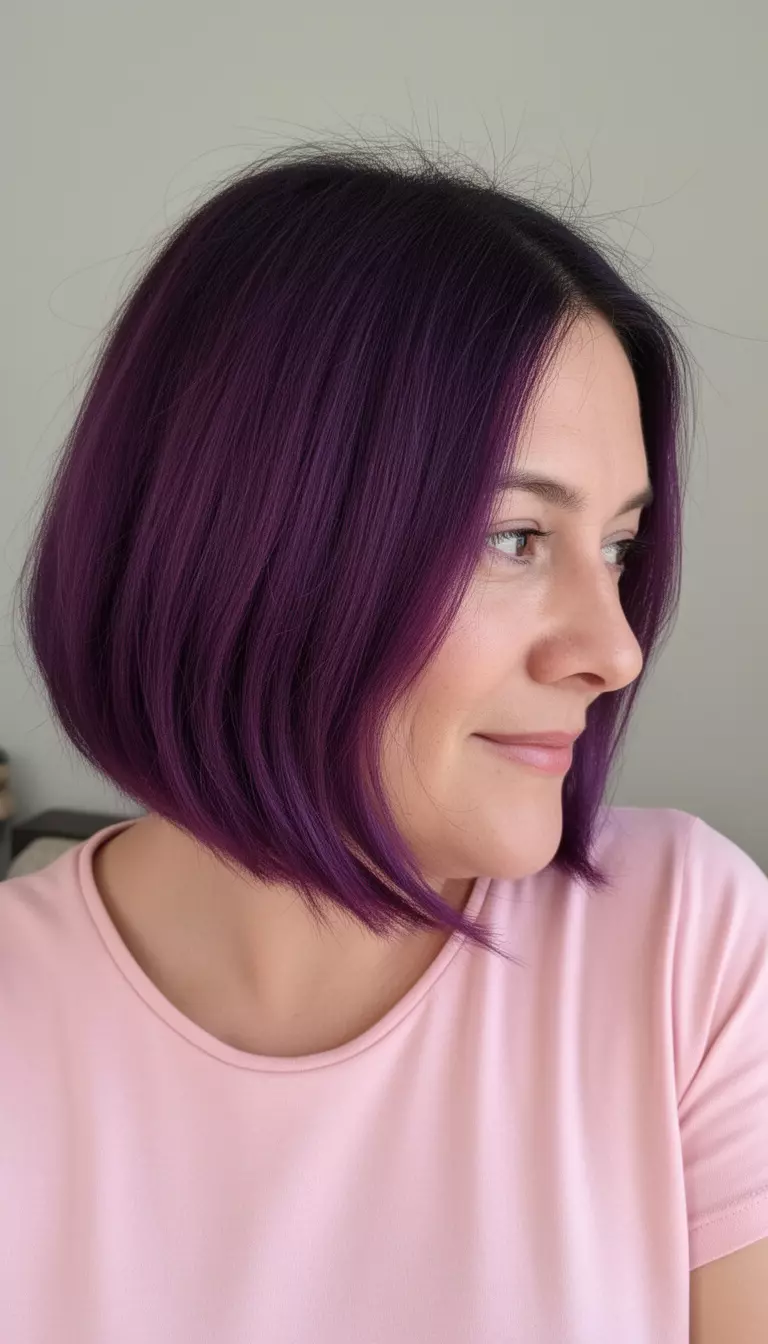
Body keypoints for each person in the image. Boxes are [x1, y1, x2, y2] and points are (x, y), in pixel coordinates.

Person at [4, 139, 768, 1342]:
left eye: (618, 548)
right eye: (518, 539)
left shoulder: (690, 951)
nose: (614, 652)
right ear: (252, 548)